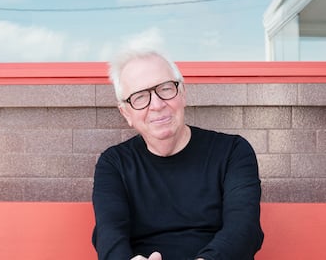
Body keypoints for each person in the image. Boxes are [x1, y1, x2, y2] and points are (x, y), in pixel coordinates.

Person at [92, 49, 264, 260]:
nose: (156, 105)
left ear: (182, 92)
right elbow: (109, 234)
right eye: (140, 97)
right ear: (126, 112)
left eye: (165, 89)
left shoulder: (232, 152)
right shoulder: (114, 164)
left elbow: (244, 229)